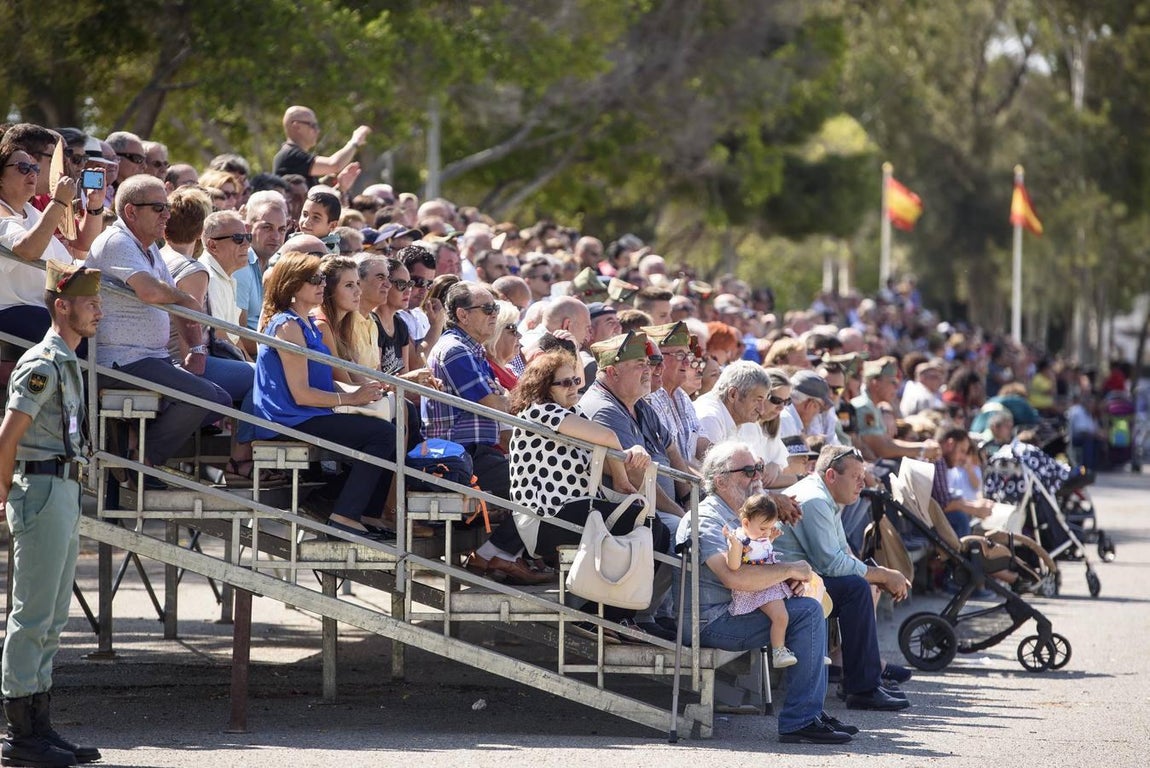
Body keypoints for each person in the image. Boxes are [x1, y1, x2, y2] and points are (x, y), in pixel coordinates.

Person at [673, 441, 854, 744]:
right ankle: (801, 720)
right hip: (712, 620)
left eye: (757, 468)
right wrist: (787, 571)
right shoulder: (707, 518)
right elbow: (733, 578)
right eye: (747, 471)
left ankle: (811, 713)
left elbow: (760, 564)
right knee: (807, 612)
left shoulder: (744, 514)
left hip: (739, 610)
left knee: (809, 600)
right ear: (721, 481)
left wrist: (788, 580)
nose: (757, 476)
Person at [0, 261, 103, 767]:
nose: (97, 312)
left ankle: (40, 725)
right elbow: (8, 436)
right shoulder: (42, 361)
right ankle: (20, 736)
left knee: (54, 616)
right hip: (40, 487)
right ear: (61, 306)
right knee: (32, 614)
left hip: (63, 484)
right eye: (88, 303)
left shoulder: (67, 360)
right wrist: (2, 493)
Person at [84, 176, 234, 483]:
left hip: (149, 359)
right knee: (201, 397)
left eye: (166, 207)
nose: (167, 214)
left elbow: (175, 304)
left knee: (221, 400)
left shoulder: (149, 248)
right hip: (120, 359)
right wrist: (184, 297)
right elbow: (153, 292)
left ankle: (133, 446)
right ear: (130, 211)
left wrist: (195, 349)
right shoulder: (117, 241)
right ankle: (140, 464)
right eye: (158, 207)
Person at [251, 252, 396, 539]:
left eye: (322, 278)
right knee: (381, 435)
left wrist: (364, 392)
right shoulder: (287, 326)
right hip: (289, 417)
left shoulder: (304, 324)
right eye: (314, 279)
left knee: (390, 426)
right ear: (292, 286)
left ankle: (351, 508)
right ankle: (345, 515)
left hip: (309, 413)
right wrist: (351, 399)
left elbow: (327, 385)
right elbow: (301, 394)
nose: (322, 284)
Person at [772, 445, 912, 712]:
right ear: (832, 476)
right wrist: (882, 574)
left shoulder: (824, 495)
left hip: (801, 581)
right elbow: (831, 564)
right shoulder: (814, 500)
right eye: (856, 476)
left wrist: (875, 575)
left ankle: (863, 680)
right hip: (782, 588)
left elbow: (839, 555)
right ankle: (862, 688)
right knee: (856, 588)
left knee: (859, 585)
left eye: (863, 476)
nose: (863, 482)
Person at [0, 142, 77, 345]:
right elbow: (28, 250)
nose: (32, 174)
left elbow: (67, 264)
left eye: (34, 168)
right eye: (23, 168)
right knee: (73, 331)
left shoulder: (31, 211)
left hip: (39, 309)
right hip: (10, 310)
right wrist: (59, 202)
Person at [723, 493, 798, 669]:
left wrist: (771, 539)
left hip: (769, 582)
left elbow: (761, 551)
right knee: (781, 616)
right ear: (746, 523)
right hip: (755, 588)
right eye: (763, 528)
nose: (766, 532)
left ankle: (809, 651)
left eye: (770, 527)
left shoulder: (759, 536)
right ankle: (778, 652)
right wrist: (735, 546)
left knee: (804, 600)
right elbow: (733, 566)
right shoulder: (741, 539)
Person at [273, 106, 370, 188]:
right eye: (313, 125)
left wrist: (328, 183)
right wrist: (355, 141)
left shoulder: (294, 155)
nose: (317, 130)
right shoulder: (290, 155)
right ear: (296, 126)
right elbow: (334, 165)